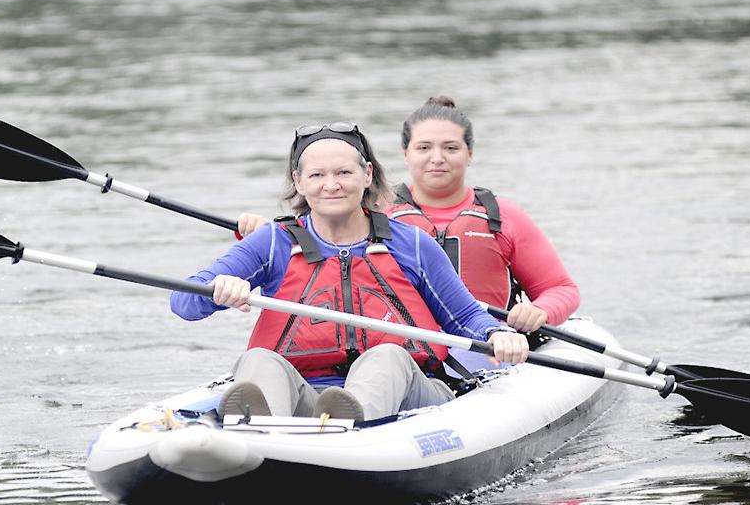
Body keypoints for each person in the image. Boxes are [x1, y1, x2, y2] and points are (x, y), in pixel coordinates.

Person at [171, 122, 528, 422]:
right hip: (313, 400)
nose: (332, 184)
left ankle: (349, 428)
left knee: (386, 356)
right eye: (317, 175)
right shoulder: (272, 243)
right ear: (299, 181)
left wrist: (498, 334)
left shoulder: (412, 244)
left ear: (367, 174)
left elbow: (464, 317)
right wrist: (220, 288)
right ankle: (261, 437)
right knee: (258, 360)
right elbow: (184, 302)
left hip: (409, 400)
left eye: (344, 172)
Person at [236, 98, 580, 339]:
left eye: (451, 148)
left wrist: (542, 312)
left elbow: (560, 289)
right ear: (405, 154)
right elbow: (314, 239)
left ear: (470, 154)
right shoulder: (373, 214)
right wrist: (259, 233)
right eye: (424, 148)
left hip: (480, 337)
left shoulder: (502, 216)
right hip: (401, 341)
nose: (437, 159)